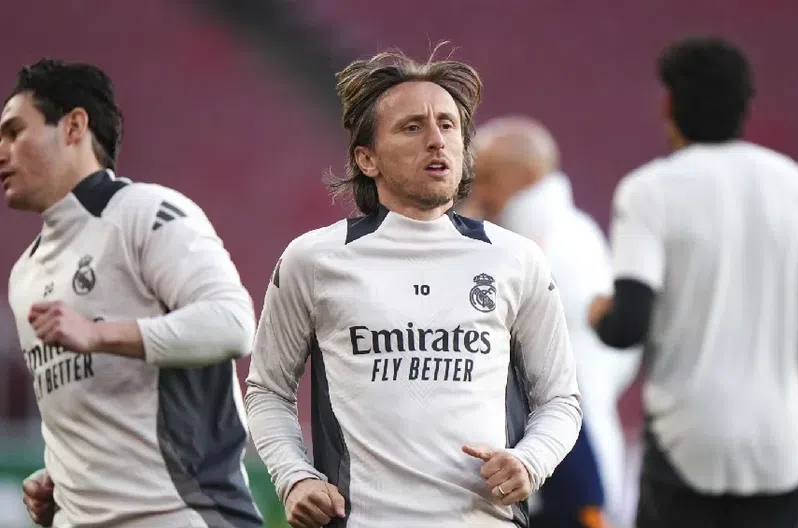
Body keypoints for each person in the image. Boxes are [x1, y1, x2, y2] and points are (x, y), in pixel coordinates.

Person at [244, 48, 583, 528]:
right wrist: (294, 478)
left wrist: (531, 461)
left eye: (448, 125)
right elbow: (267, 390)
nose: (436, 140)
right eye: (412, 127)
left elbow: (561, 400)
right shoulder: (314, 259)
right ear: (367, 158)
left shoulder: (516, 258)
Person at [588, 36, 798, 528]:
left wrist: (599, 316)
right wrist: (794, 376)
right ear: (745, 106)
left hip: (686, 438)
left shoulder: (649, 190)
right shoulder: (797, 186)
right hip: (776, 445)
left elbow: (628, 325)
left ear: (669, 105)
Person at [3, 59, 263, 527]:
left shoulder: (145, 212)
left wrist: (98, 334)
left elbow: (233, 324)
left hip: (180, 515)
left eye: (15, 132)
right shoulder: (24, 275)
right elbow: (103, 408)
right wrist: (60, 477)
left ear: (74, 126)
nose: (2, 150)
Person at [467, 116, 641, 527]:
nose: (477, 193)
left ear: (525, 176)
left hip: (566, 467)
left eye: (487, 178)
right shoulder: (576, 235)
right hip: (554, 461)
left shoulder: (544, 248)